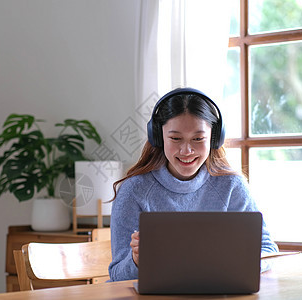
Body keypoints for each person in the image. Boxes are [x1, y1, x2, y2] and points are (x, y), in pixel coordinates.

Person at [108, 87, 278, 282]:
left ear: (214, 138)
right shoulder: (134, 191)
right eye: (175, 138)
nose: (186, 150)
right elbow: (117, 275)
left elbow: (268, 250)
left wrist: (230, 266)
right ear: (157, 136)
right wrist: (136, 262)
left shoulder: (232, 186)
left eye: (198, 139)